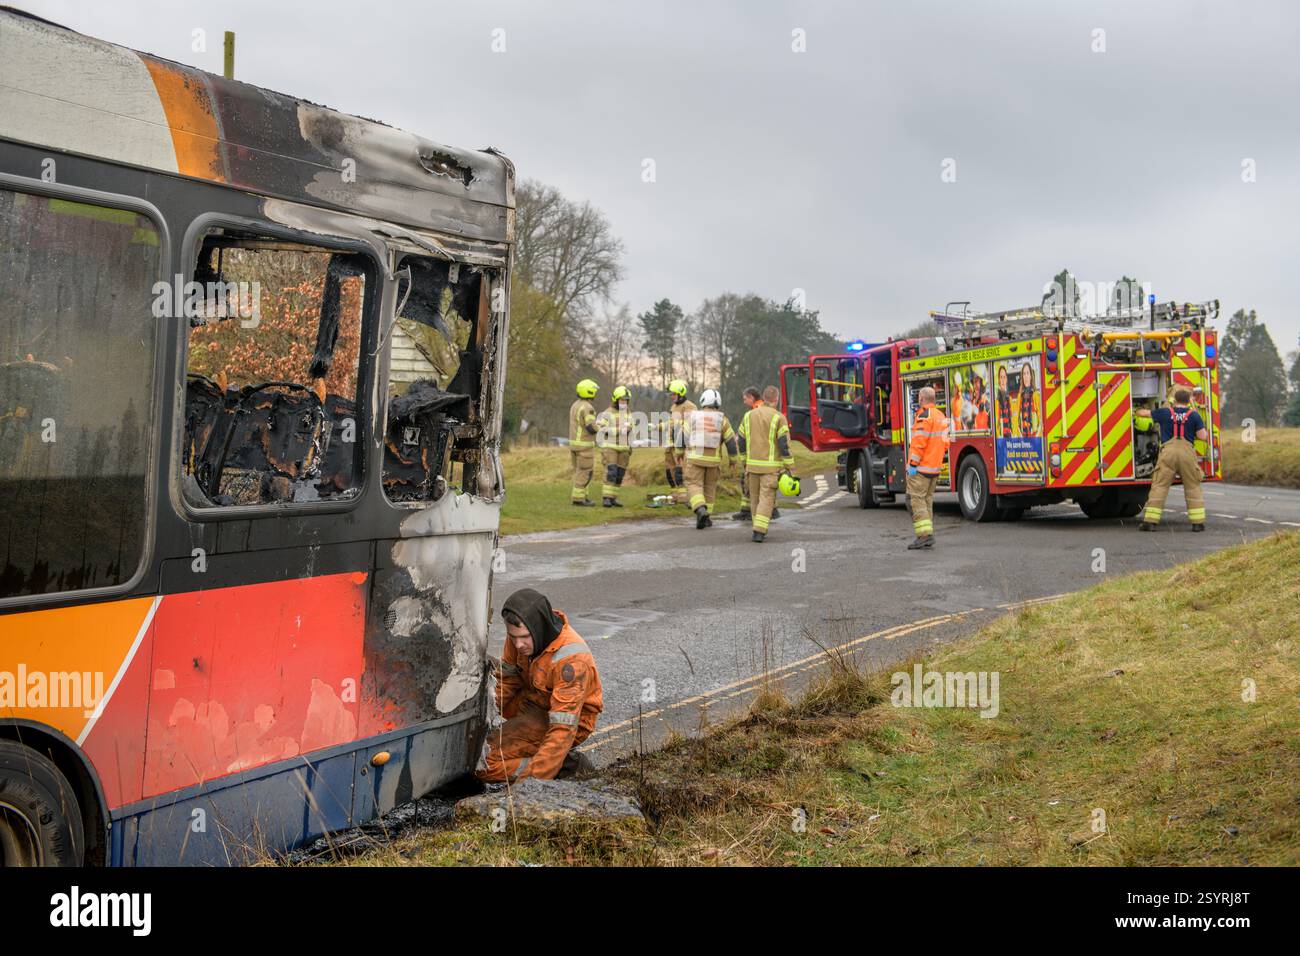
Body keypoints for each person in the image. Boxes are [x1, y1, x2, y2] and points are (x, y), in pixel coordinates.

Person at [478, 588, 603, 782]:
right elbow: (507, 681)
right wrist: (481, 719)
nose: (518, 645)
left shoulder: (572, 662)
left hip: (570, 720)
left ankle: (564, 767)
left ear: (539, 628)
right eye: (513, 637)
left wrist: (529, 788)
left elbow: (563, 729)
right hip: (534, 703)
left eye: (524, 637)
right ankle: (546, 760)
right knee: (474, 755)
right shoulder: (520, 637)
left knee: (483, 764)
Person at [1135, 387, 1209, 531]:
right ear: (1188, 401)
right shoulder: (1194, 415)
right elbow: (1202, 437)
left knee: (1160, 486)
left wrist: (1136, 410)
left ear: (1174, 400)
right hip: (1187, 453)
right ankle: (1197, 524)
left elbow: (1144, 413)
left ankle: (1150, 523)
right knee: (1193, 487)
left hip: (1168, 453)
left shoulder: (1164, 412)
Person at [738, 385, 795, 543]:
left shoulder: (748, 416)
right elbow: (784, 445)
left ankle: (757, 526)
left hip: (752, 466)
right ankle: (759, 531)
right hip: (769, 468)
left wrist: (744, 461)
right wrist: (790, 467)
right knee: (766, 498)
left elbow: (741, 441)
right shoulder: (779, 417)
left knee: (754, 499)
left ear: (763, 397)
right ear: (776, 399)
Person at [678, 388, 738, 528]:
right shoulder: (723, 420)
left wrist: (679, 453)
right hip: (713, 462)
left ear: (703, 401)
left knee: (694, 484)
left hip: (695, 459)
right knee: (710, 488)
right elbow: (730, 442)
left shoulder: (692, 417)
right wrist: (733, 460)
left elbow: (682, 438)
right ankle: (707, 518)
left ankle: (700, 510)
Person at [906, 385, 951, 550]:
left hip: (921, 469)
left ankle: (924, 536)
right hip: (935, 469)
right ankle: (927, 533)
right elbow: (946, 443)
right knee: (926, 501)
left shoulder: (924, 416)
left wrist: (912, 465)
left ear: (922, 399)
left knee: (915, 500)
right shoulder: (941, 416)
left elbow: (918, 444)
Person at [595, 385, 633, 507]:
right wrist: (618, 430)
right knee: (611, 472)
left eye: (626, 400)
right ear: (616, 400)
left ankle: (613, 498)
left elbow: (631, 428)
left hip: (624, 448)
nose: (624, 402)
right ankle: (606, 498)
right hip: (610, 447)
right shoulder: (607, 413)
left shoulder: (628, 413)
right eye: (622, 400)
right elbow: (601, 428)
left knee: (620, 474)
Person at [730, 387, 761, 520]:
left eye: (745, 399)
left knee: (750, 481)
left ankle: (749, 511)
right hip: (758, 454)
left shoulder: (755, 412)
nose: (744, 402)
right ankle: (746, 509)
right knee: (748, 481)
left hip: (755, 455)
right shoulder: (760, 410)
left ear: (751, 398)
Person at [568, 379, 600, 506]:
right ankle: (578, 499)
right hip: (584, 446)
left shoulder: (575, 405)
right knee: (586, 472)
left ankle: (583, 497)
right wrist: (601, 427)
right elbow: (591, 428)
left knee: (579, 471)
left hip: (574, 445)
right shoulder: (588, 408)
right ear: (590, 391)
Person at [661, 379, 695, 492]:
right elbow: (671, 423)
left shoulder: (690, 406)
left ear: (681, 394)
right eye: (671, 394)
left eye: (674, 394)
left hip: (682, 445)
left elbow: (689, 424)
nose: (672, 396)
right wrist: (657, 426)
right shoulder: (673, 407)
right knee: (670, 471)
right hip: (671, 444)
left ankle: (684, 495)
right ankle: (677, 494)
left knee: (681, 471)